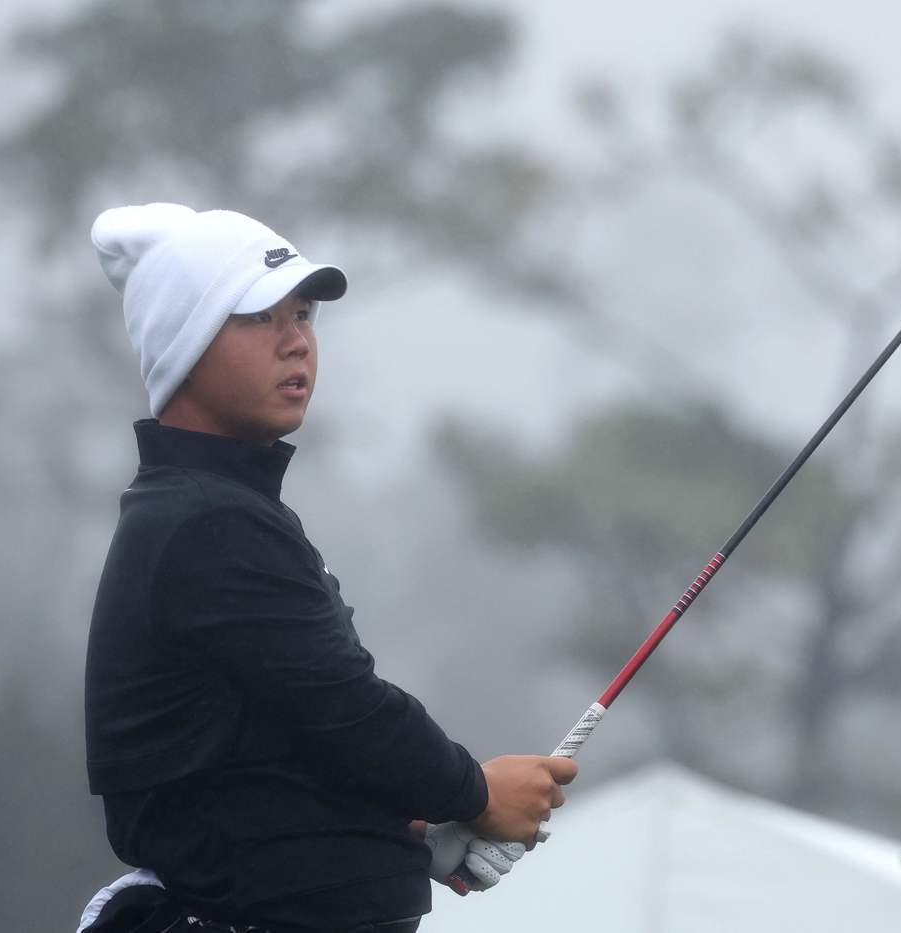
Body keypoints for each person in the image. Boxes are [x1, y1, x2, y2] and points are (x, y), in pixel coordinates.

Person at [80, 203, 577, 933]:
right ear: (183, 345)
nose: (297, 344)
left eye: (305, 316)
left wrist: (409, 827)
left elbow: (287, 747)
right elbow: (348, 707)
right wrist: (473, 792)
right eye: (259, 319)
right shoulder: (208, 522)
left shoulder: (219, 512)